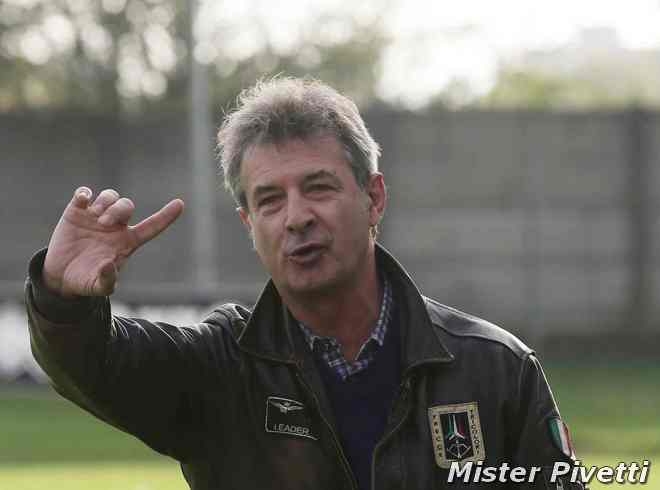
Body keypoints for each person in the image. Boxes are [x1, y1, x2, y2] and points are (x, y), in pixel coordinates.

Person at [25, 77, 582, 490]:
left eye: (318, 187)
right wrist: (61, 297)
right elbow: (95, 363)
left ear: (374, 198)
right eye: (270, 200)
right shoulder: (221, 370)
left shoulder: (495, 369)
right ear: (249, 224)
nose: (296, 217)